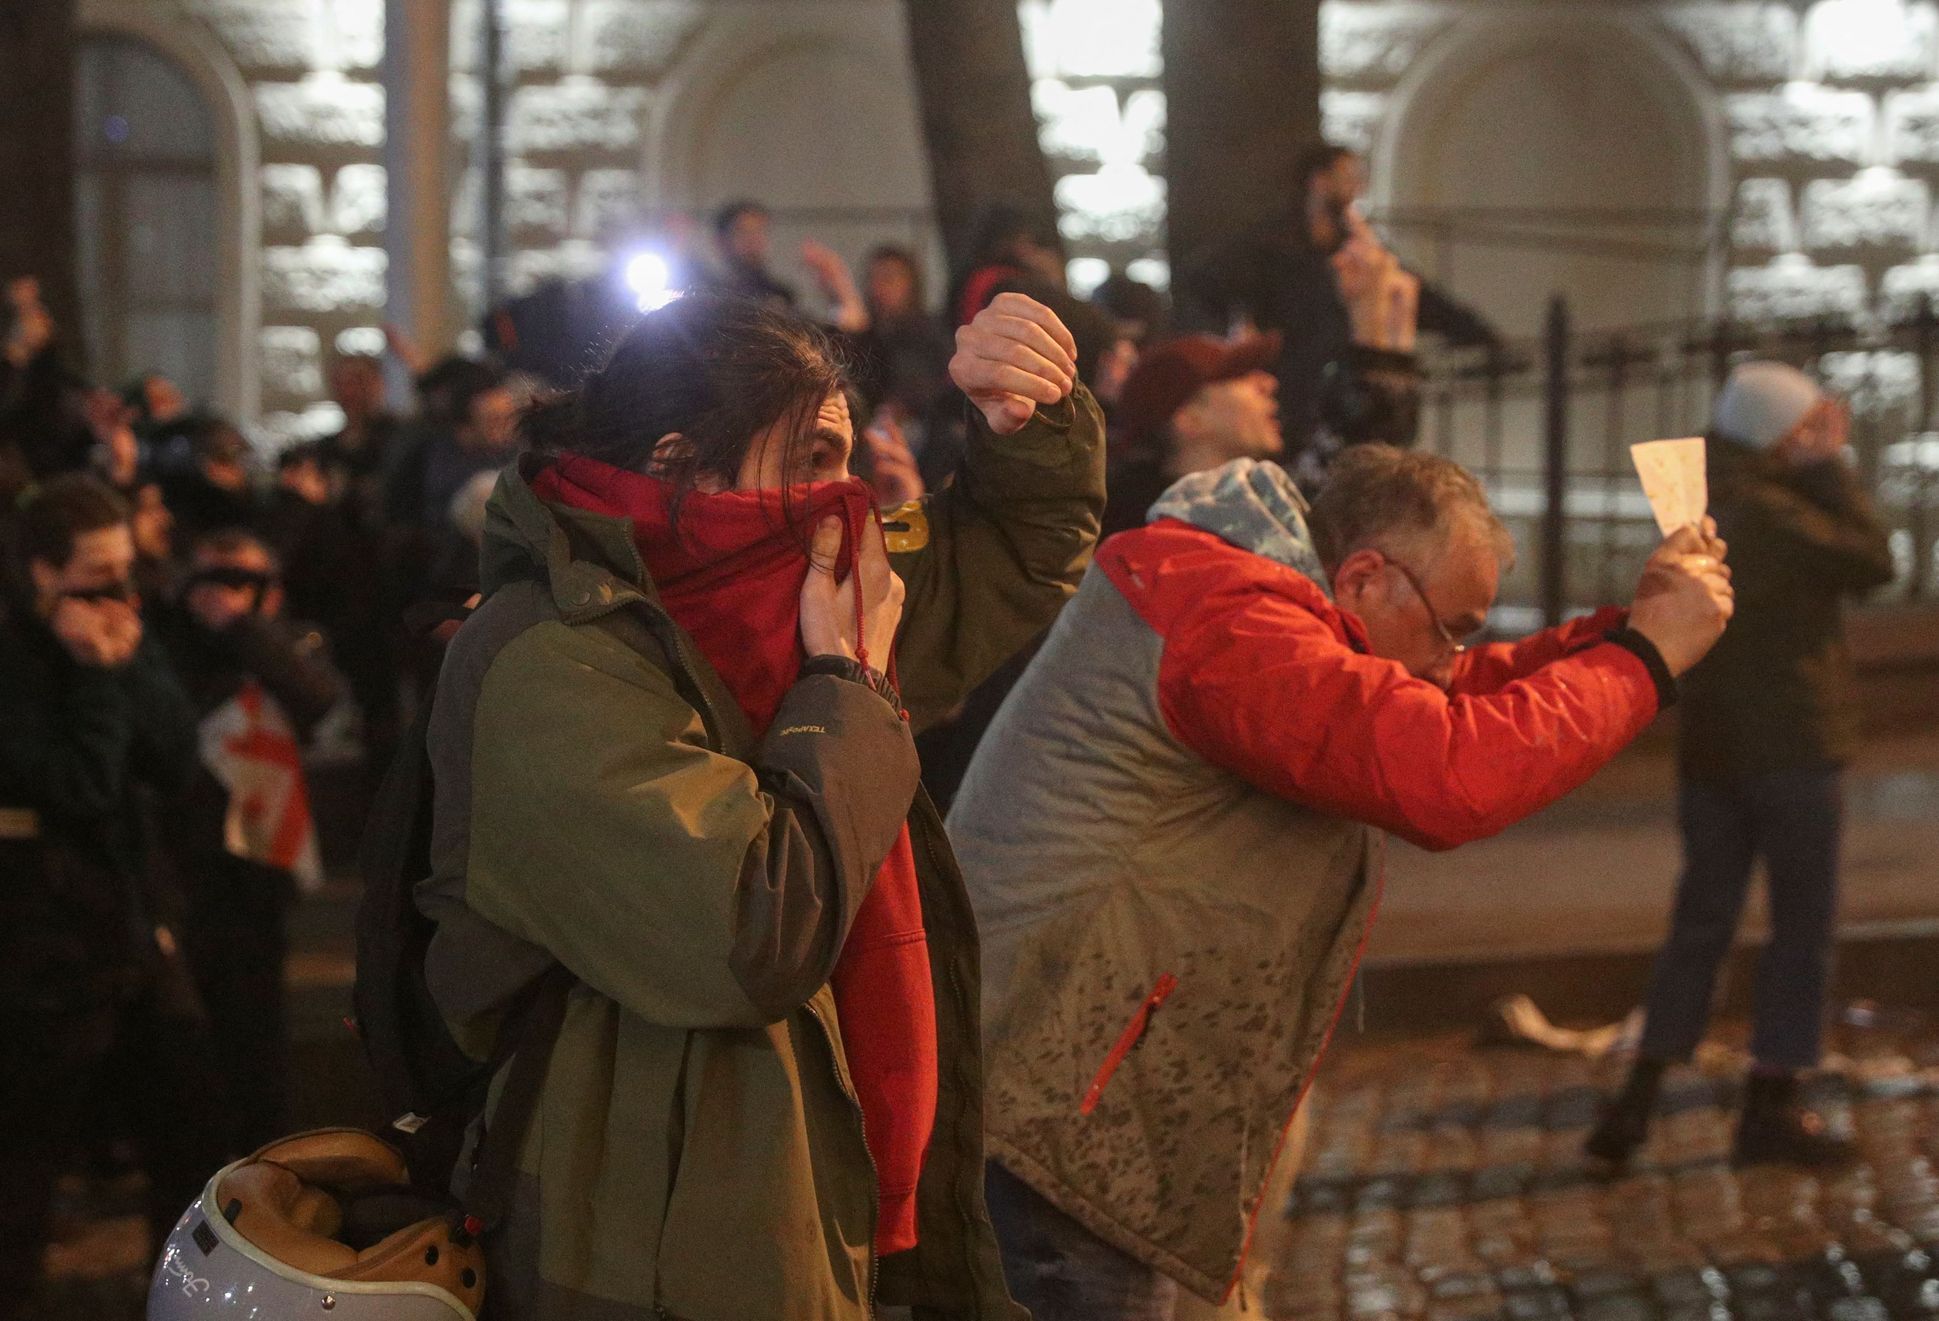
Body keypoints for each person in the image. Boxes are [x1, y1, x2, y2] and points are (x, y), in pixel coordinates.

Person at [417, 289, 1104, 1320]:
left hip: (824, 1198)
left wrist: (1025, 423)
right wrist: (851, 696)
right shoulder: (548, 660)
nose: (848, 499)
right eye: (813, 461)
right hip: (652, 1249)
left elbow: (1009, 553)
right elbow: (746, 931)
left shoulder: (788, 596)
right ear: (680, 464)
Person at [945, 446, 1736, 1319]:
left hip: (1073, 1086)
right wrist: (1644, 659)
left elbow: (1447, 694)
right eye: (1453, 624)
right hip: (1049, 1109)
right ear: (1362, 577)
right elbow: (1445, 771)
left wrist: (1627, 635)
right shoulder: (1226, 616)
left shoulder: (1260, 599)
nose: (1454, 654)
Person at [1586, 363, 1897, 1170]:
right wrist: (1829, 466)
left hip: (1711, 747)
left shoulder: (1691, 491)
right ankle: (1770, 1105)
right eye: (1803, 429)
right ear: (1775, 432)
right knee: (1800, 928)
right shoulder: (1772, 505)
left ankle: (1636, 1102)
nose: (1813, 441)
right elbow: (1872, 559)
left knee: (1699, 923)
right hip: (1791, 742)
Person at [0, 475, 224, 1321]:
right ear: (40, 575)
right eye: (95, 577)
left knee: (189, 1131)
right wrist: (94, 676)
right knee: (25, 1159)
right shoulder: (18, 660)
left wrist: (125, 665)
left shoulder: (127, 629)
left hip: (132, 925)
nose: (117, 596)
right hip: (42, 945)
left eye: (126, 573)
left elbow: (172, 758)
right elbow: (79, 784)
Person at [153, 527, 345, 1155]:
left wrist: (243, 627)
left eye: (246, 581)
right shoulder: (168, 646)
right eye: (215, 579)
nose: (227, 594)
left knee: (255, 1025)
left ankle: (261, 1159)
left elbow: (317, 700)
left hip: (257, 865)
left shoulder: (281, 644)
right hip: (182, 861)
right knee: (185, 1033)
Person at [1177, 143, 1497, 460]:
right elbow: (1203, 280)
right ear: (1319, 180)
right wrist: (1234, 348)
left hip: (1344, 395)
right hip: (1290, 397)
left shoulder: (1356, 251)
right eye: (1348, 175)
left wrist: (1481, 337)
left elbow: (1425, 300)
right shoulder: (1269, 247)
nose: (1357, 185)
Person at [1103, 331, 1283, 537]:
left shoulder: (1259, 508)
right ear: (1189, 419)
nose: (1268, 383)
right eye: (1240, 376)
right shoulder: (1150, 536)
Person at [702, 198, 799, 309]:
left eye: (759, 232)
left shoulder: (782, 295)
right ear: (721, 241)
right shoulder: (707, 295)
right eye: (743, 232)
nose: (754, 240)